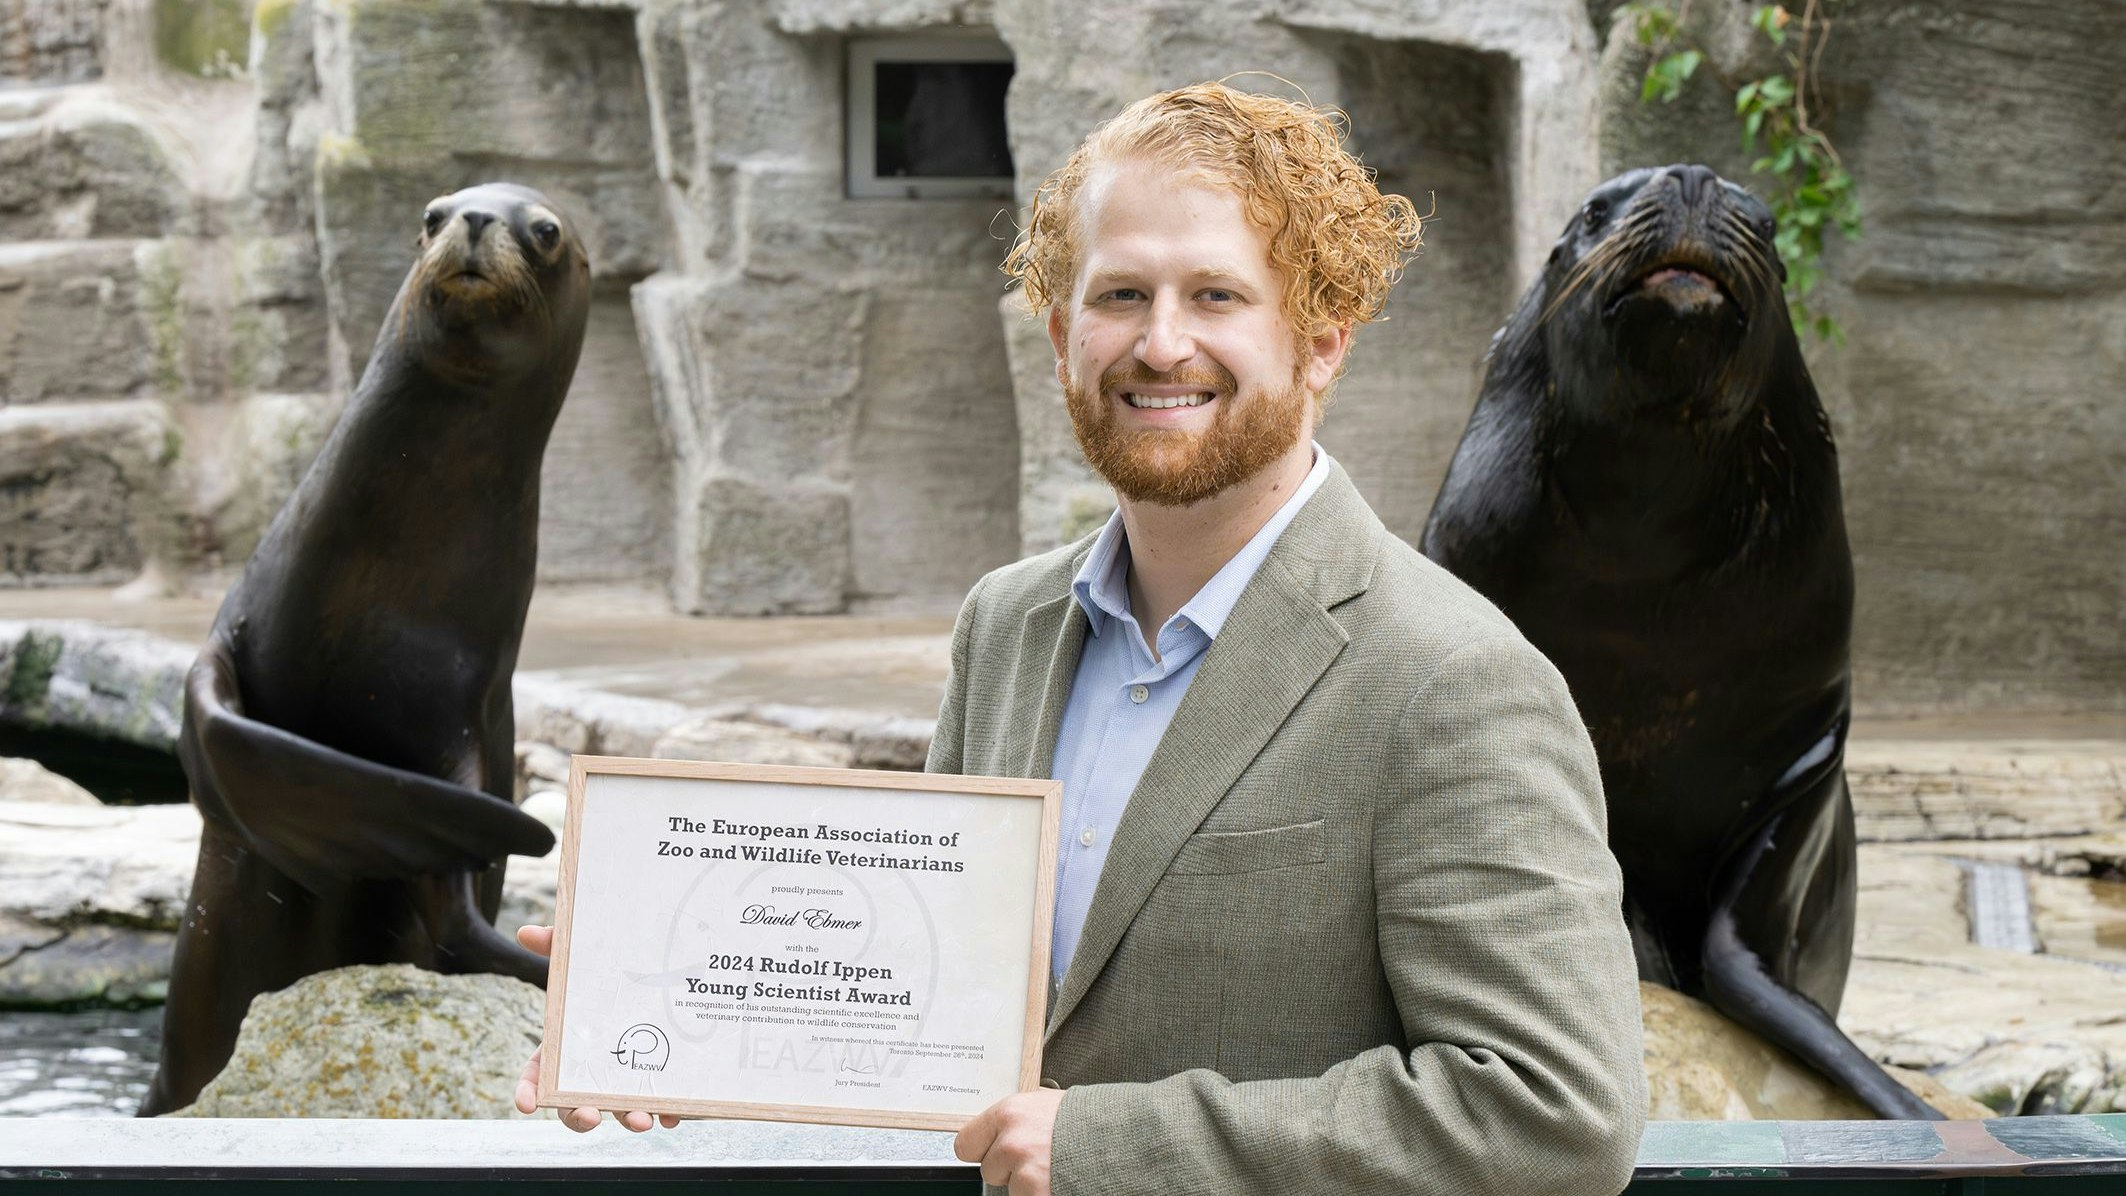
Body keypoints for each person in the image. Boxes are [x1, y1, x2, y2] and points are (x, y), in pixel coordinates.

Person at [517, 81, 1645, 1195]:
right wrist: (680, 1007)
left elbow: (1554, 1108)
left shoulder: (1453, 676)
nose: (1160, 344)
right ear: (1060, 334)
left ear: (1319, 342)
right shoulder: (1005, 626)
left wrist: (1120, 1149)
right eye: (1119, 294)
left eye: (1214, 295)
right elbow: (938, 1012)